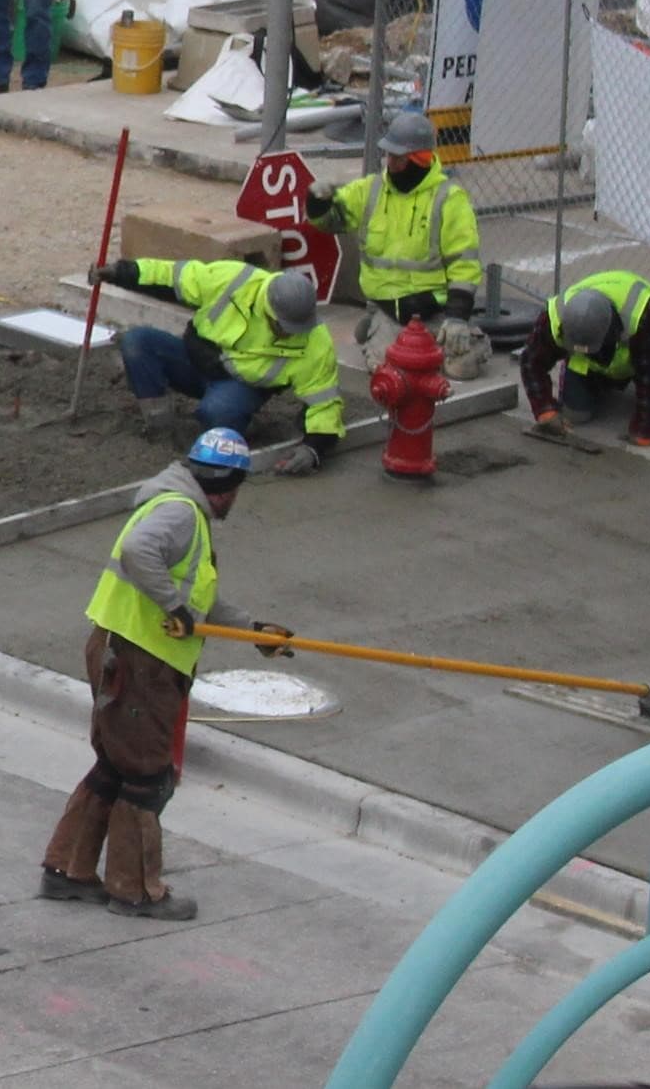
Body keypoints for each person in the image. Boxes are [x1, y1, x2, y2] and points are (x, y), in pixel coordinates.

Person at [39, 428, 292, 920]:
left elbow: (200, 602)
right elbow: (140, 553)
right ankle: (134, 891)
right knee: (147, 778)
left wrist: (253, 631)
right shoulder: (181, 512)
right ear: (230, 484)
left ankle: (68, 872)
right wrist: (172, 606)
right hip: (140, 662)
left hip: (122, 651)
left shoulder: (177, 506)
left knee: (115, 767)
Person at [95, 256, 347, 476]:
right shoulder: (235, 279)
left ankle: (240, 424)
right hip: (195, 360)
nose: (291, 334)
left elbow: (324, 401)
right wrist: (122, 272)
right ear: (267, 310)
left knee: (217, 411)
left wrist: (314, 448)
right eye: (284, 327)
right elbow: (173, 276)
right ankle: (160, 427)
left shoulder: (315, 340)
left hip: (239, 387)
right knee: (137, 343)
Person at [311, 110, 481, 337]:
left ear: (419, 160)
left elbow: (464, 263)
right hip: (386, 310)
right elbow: (329, 222)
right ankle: (374, 327)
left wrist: (457, 318)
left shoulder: (449, 199)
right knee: (392, 366)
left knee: (463, 367)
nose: (389, 163)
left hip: (434, 311)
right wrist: (316, 203)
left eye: (398, 158)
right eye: (388, 155)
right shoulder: (370, 190)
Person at [524, 270, 650, 447]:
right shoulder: (555, 317)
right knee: (575, 415)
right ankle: (602, 383)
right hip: (591, 367)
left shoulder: (641, 314)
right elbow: (531, 361)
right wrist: (545, 412)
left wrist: (644, 431)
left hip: (642, 355)